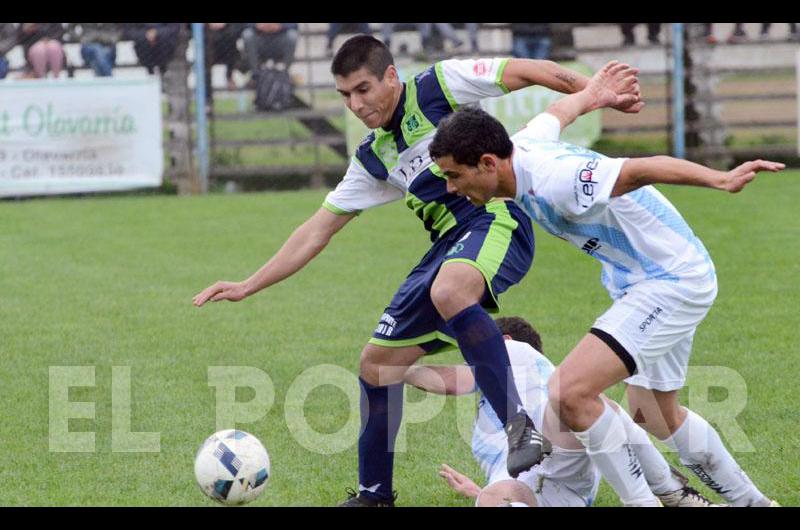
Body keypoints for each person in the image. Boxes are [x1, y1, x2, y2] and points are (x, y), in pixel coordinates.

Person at [192, 35, 642, 507]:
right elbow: (315, 231)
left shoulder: (437, 86)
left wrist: (595, 89)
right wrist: (248, 284)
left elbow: (525, 70)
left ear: (391, 76)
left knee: (450, 290)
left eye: (363, 89)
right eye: (345, 95)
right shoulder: (372, 157)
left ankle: (519, 428)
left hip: (495, 218)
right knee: (377, 365)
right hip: (445, 249)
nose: (356, 104)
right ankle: (374, 496)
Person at [427, 61, 784, 507]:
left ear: (487, 162)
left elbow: (638, 169)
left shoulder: (556, 182)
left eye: (454, 176)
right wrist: (596, 93)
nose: (450, 187)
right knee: (652, 412)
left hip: (669, 280)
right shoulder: (522, 146)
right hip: (647, 278)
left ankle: (655, 501)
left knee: (569, 392)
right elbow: (560, 111)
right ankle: (755, 504)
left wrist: (719, 178)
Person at [405, 316, 723, 507]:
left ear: (502, 341)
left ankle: (669, 491)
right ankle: (669, 489)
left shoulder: (513, 354)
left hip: (559, 459)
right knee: (493, 497)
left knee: (572, 407)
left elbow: (450, 381)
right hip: (553, 493)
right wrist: (479, 492)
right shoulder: (492, 404)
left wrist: (397, 369)